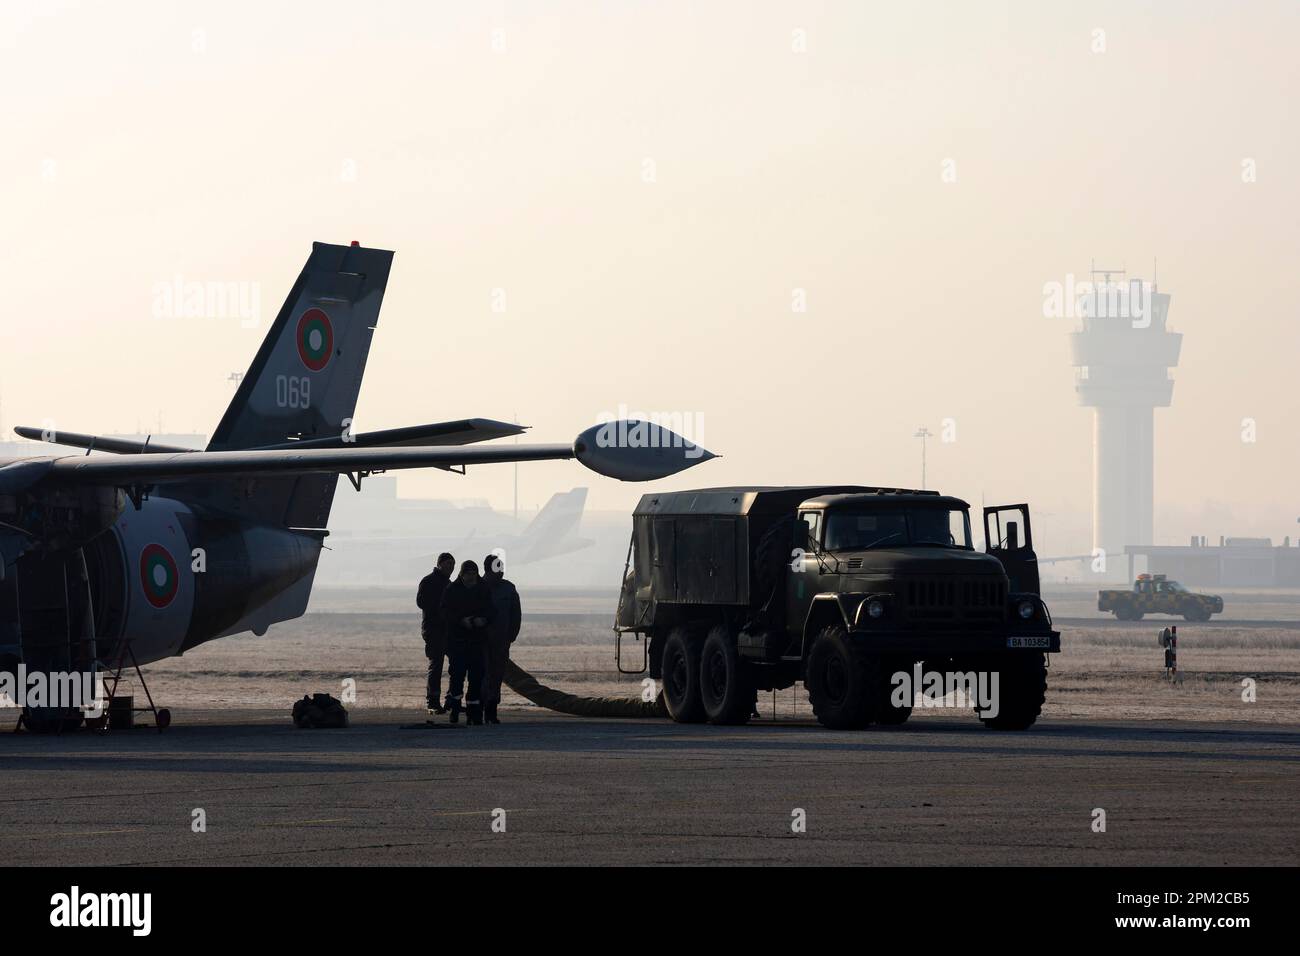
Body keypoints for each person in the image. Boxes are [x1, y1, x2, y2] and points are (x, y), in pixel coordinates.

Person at [440, 560, 494, 725]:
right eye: (468, 574)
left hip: (477, 641)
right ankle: (455, 710)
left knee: (476, 678)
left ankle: (474, 713)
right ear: (462, 575)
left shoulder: (483, 589)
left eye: (474, 574)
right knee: (457, 677)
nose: (471, 577)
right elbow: (445, 612)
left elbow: (492, 610)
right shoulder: (452, 590)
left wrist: (483, 620)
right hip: (458, 641)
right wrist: (461, 621)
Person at [481, 553, 522, 725]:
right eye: (497, 568)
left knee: (497, 675)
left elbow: (516, 615)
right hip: (479, 641)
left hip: (500, 640)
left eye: (502, 568)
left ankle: (491, 710)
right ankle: (477, 710)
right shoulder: (476, 587)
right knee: (480, 676)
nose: (501, 572)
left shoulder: (509, 589)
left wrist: (511, 636)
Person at [416, 553, 455, 716]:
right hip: (434, 630)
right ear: (439, 564)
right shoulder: (429, 581)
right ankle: (432, 701)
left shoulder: (449, 583)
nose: (450, 568)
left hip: (448, 630)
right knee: (436, 665)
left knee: (456, 665)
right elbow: (421, 602)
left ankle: (451, 699)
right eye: (447, 565)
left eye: (452, 565)